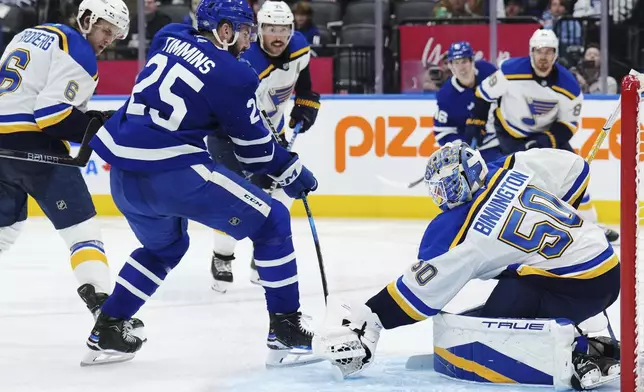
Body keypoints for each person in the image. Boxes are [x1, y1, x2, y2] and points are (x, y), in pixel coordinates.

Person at [86, 0, 319, 367]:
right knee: (273, 220)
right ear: (224, 30)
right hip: (174, 173)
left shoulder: (167, 35)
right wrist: (292, 170)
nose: (248, 40)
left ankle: (109, 328)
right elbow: (257, 152)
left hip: (123, 174)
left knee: (165, 249)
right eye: (244, 31)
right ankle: (286, 330)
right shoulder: (235, 74)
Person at [313, 142, 620, 390]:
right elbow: (575, 169)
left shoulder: (464, 230)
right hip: (606, 261)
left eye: (446, 187)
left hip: (578, 286)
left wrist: (374, 316)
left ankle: (581, 352)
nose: (443, 197)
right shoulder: (514, 168)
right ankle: (597, 331)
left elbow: (420, 291)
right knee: (523, 278)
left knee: (498, 321)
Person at [0, 0, 133, 319]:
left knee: (5, 229)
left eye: (114, 36)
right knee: (82, 229)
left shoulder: (30, 34)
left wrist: (91, 118)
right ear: (87, 19)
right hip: (35, 145)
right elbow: (52, 116)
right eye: (105, 30)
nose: (107, 41)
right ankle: (108, 318)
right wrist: (99, 125)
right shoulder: (80, 51)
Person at [207, 0, 320, 292]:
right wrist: (270, 141)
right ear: (259, 30)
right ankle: (222, 255)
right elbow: (236, 113)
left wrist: (306, 107)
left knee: (283, 190)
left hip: (269, 131)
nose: (277, 35)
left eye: (283, 28)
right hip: (228, 135)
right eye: (270, 28)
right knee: (234, 198)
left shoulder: (299, 48)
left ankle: (263, 254)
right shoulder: (246, 62)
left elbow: (305, 86)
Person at [465, 29, 618, 242]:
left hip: (548, 135)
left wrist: (544, 141)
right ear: (530, 52)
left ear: (555, 54)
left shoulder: (569, 85)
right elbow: (483, 94)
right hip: (511, 133)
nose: (543, 57)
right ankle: (518, 227)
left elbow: (567, 125)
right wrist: (476, 122)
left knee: (573, 174)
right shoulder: (509, 70)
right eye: (538, 51)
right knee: (520, 180)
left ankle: (592, 225)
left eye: (548, 51)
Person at [433, 41, 502, 163]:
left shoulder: (488, 71)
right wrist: (462, 148)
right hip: (481, 151)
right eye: (456, 63)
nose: (461, 67)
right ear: (451, 66)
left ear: (472, 61)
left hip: (506, 138)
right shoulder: (446, 96)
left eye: (464, 61)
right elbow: (443, 132)